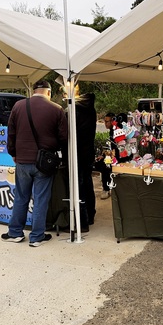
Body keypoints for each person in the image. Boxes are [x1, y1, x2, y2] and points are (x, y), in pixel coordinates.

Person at [3, 80, 67, 247]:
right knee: (41, 199)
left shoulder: (18, 106)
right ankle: (37, 236)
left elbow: (11, 133)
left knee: (21, 197)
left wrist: (13, 153)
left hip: (22, 160)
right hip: (44, 162)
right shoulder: (56, 109)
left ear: (33, 91)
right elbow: (63, 137)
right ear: (48, 92)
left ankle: (15, 233)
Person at [64, 85, 97, 230]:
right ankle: (90, 214)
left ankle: (82, 221)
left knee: (78, 186)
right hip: (88, 152)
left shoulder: (72, 109)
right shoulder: (90, 108)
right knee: (87, 183)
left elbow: (66, 134)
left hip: (75, 152)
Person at [96, 112, 116, 200]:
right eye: (105, 121)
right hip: (112, 156)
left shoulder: (116, 131)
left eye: (107, 121)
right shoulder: (111, 131)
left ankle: (106, 189)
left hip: (117, 158)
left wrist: (107, 156)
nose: (105, 124)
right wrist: (104, 155)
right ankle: (106, 187)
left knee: (104, 166)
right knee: (100, 163)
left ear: (112, 121)